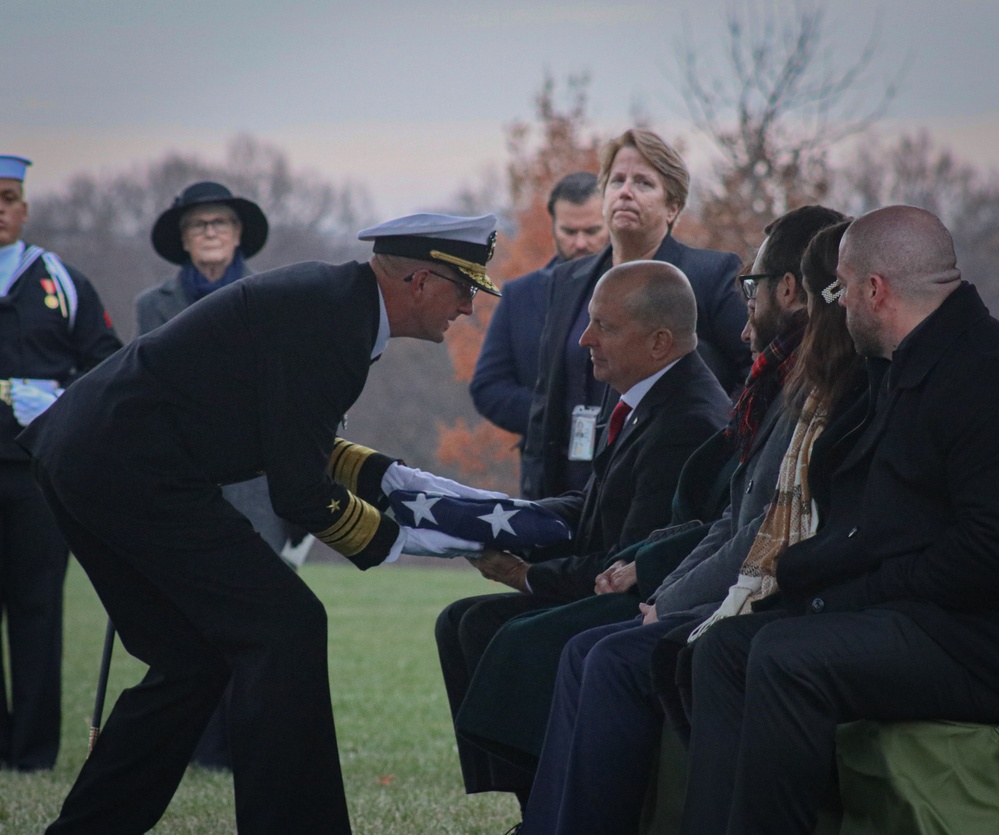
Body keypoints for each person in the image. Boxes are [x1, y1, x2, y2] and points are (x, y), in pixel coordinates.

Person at [18, 212, 502, 835]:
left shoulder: (335, 306)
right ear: (419, 280)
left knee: (191, 662)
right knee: (288, 626)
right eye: (463, 289)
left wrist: (439, 513)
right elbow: (300, 492)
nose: (466, 308)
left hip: (93, 459)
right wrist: (439, 542)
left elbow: (301, 445)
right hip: (130, 472)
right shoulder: (334, 323)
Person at [519, 215, 859, 835]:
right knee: (565, 643)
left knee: (608, 654)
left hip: (782, 602)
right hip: (723, 587)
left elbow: (760, 530)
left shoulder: (814, 390)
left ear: (790, 291)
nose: (742, 310)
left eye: (749, 286)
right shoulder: (784, 388)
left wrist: (662, 592)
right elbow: (734, 515)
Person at [677, 205, 999, 835]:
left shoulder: (978, 375)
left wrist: (853, 599)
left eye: (838, 289)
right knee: (722, 649)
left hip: (971, 636)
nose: (834, 305)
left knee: (787, 655)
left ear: (874, 291)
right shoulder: (900, 368)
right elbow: (868, 521)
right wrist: (810, 581)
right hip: (914, 612)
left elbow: (985, 551)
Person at [436, 259, 731, 812]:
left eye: (605, 326)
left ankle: (547, 805)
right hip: (614, 579)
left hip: (639, 600)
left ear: (659, 341)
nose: (584, 339)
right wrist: (504, 514)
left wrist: (527, 577)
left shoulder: (686, 419)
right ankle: (533, 799)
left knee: (491, 629)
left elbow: (626, 562)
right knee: (461, 622)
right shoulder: (650, 395)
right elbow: (595, 503)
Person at [137, 180, 300, 769]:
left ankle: (250, 744)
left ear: (238, 234)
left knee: (259, 622)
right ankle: (191, 746)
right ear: (182, 239)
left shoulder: (273, 298)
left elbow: (305, 389)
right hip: (181, 482)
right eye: (198, 225)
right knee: (185, 620)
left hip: (258, 484)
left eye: (220, 223)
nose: (209, 232)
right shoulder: (150, 306)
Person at [522, 128, 748, 500]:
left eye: (643, 183)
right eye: (617, 181)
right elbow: (545, 400)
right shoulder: (568, 278)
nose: (626, 191)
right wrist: (533, 499)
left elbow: (755, 373)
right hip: (570, 491)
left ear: (672, 207)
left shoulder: (710, 275)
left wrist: (717, 446)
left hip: (664, 491)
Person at [0, 154, 122, 772]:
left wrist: (59, 400)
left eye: (9, 195)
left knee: (38, 609)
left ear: (24, 208)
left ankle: (32, 753)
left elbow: (107, 365)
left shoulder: (58, 279)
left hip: (35, 469)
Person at [470, 172, 607, 497]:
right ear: (552, 226)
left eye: (592, 231)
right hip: (548, 477)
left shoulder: (640, 288)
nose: (581, 243)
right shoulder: (520, 295)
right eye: (569, 231)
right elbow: (488, 387)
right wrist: (558, 415)